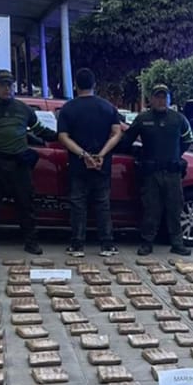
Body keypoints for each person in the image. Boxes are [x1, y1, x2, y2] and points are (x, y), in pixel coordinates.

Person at [0, 69, 56, 255]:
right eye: (2, 85)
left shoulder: (23, 109)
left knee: (26, 204)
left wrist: (60, 136)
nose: (7, 89)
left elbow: (39, 129)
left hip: (19, 163)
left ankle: (31, 242)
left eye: (9, 85)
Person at [119, 84, 193, 256]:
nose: (161, 101)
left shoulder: (178, 119)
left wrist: (176, 155)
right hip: (151, 173)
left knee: (175, 209)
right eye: (158, 97)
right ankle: (147, 243)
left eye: (164, 97)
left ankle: (177, 243)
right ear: (151, 99)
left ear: (169, 99)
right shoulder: (142, 119)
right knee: (151, 210)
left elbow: (188, 140)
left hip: (172, 172)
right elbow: (127, 140)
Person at [56, 68, 123, 257]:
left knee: (78, 204)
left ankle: (77, 246)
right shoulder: (108, 107)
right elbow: (117, 133)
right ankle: (107, 245)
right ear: (94, 84)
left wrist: (84, 155)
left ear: (76, 85)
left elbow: (62, 137)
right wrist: (101, 154)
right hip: (102, 164)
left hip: (78, 165)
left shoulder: (68, 108)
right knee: (103, 204)